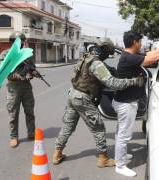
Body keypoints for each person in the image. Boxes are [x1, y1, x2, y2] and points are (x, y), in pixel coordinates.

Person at [52, 40, 144, 168]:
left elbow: (100, 72)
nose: (108, 56)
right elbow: (112, 83)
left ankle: (57, 153)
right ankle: (103, 158)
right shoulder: (96, 64)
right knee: (98, 128)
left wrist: (113, 70)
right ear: (105, 50)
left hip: (73, 94)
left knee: (68, 126)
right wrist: (133, 81)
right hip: (83, 98)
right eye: (109, 53)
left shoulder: (86, 58)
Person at [112, 31, 159, 177]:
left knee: (120, 133)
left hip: (123, 101)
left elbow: (151, 54)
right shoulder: (129, 58)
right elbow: (152, 59)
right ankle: (120, 165)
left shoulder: (129, 56)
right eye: (140, 42)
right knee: (124, 135)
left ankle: (121, 157)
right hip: (126, 104)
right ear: (135, 42)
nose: (142, 45)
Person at [0, 32, 36, 148]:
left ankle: (31, 133)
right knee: (13, 114)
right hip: (13, 88)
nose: (19, 44)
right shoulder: (6, 54)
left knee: (30, 112)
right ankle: (14, 137)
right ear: (12, 42)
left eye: (21, 42)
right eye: (16, 42)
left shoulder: (27, 54)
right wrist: (16, 75)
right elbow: (0, 68)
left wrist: (31, 73)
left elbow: (32, 67)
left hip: (26, 87)